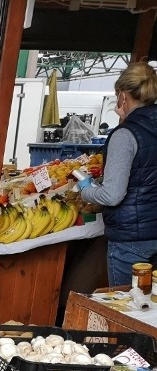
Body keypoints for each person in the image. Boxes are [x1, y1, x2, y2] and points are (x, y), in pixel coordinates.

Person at [79, 61, 157, 286]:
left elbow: (112, 195)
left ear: (123, 95)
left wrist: (86, 190)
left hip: (131, 242)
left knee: (125, 311)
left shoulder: (125, 134)